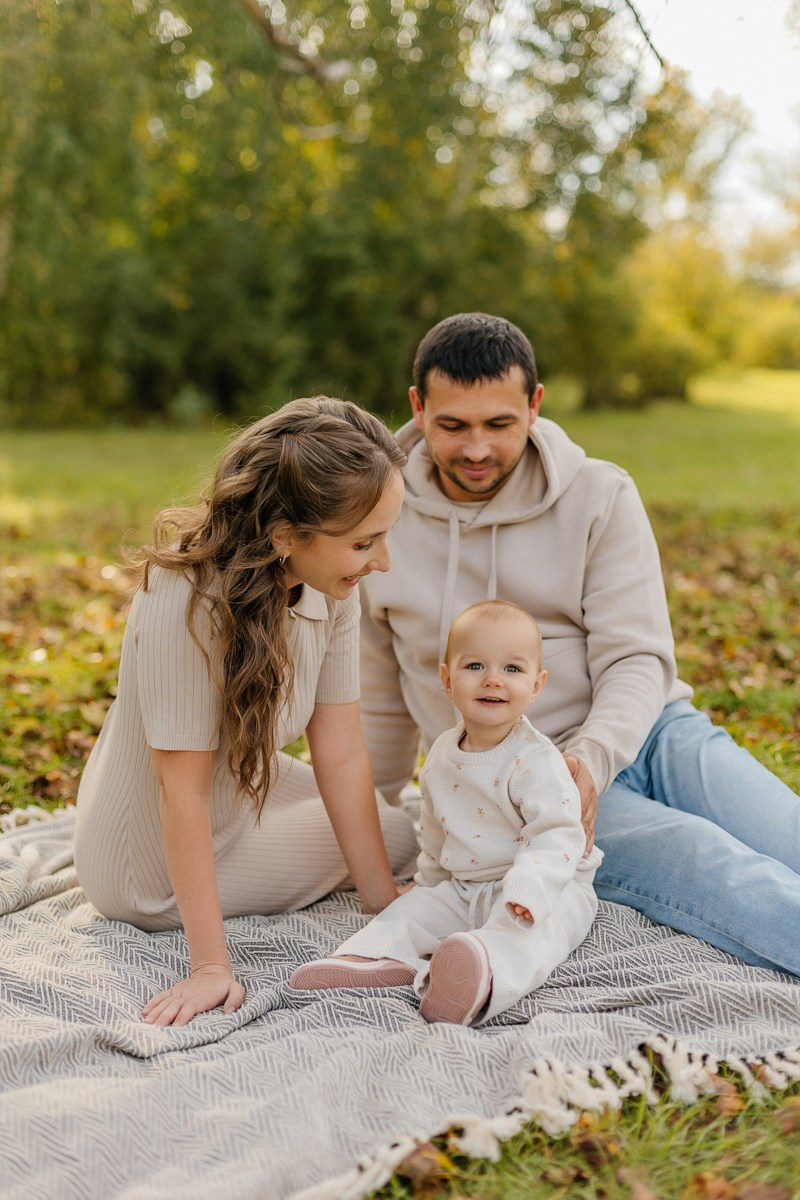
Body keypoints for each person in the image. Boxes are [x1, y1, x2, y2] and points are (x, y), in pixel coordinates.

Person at [356, 312, 800, 977]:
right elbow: (382, 701)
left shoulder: (600, 494)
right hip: (529, 785)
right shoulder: (380, 517)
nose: (477, 448)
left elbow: (637, 657)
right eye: (453, 426)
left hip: (652, 735)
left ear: (534, 406)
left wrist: (593, 758)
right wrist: (376, 822)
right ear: (418, 409)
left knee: (784, 832)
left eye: (499, 425)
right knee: (713, 865)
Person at [74, 396, 419, 1027]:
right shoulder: (181, 598)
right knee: (400, 841)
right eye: (366, 541)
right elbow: (181, 791)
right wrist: (210, 967)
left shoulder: (328, 586)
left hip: (242, 786)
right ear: (286, 536)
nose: (383, 561)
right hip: (145, 861)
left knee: (398, 838)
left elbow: (340, 751)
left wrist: (382, 903)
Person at [289, 600, 603, 1025]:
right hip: (466, 884)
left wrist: (530, 888)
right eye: (475, 665)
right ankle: (376, 957)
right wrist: (429, 883)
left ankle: (481, 974)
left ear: (536, 685)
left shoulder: (536, 759)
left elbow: (559, 835)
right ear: (446, 679)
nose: (493, 679)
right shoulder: (441, 755)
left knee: (527, 938)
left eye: (513, 669)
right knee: (410, 912)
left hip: (547, 888)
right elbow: (438, 830)